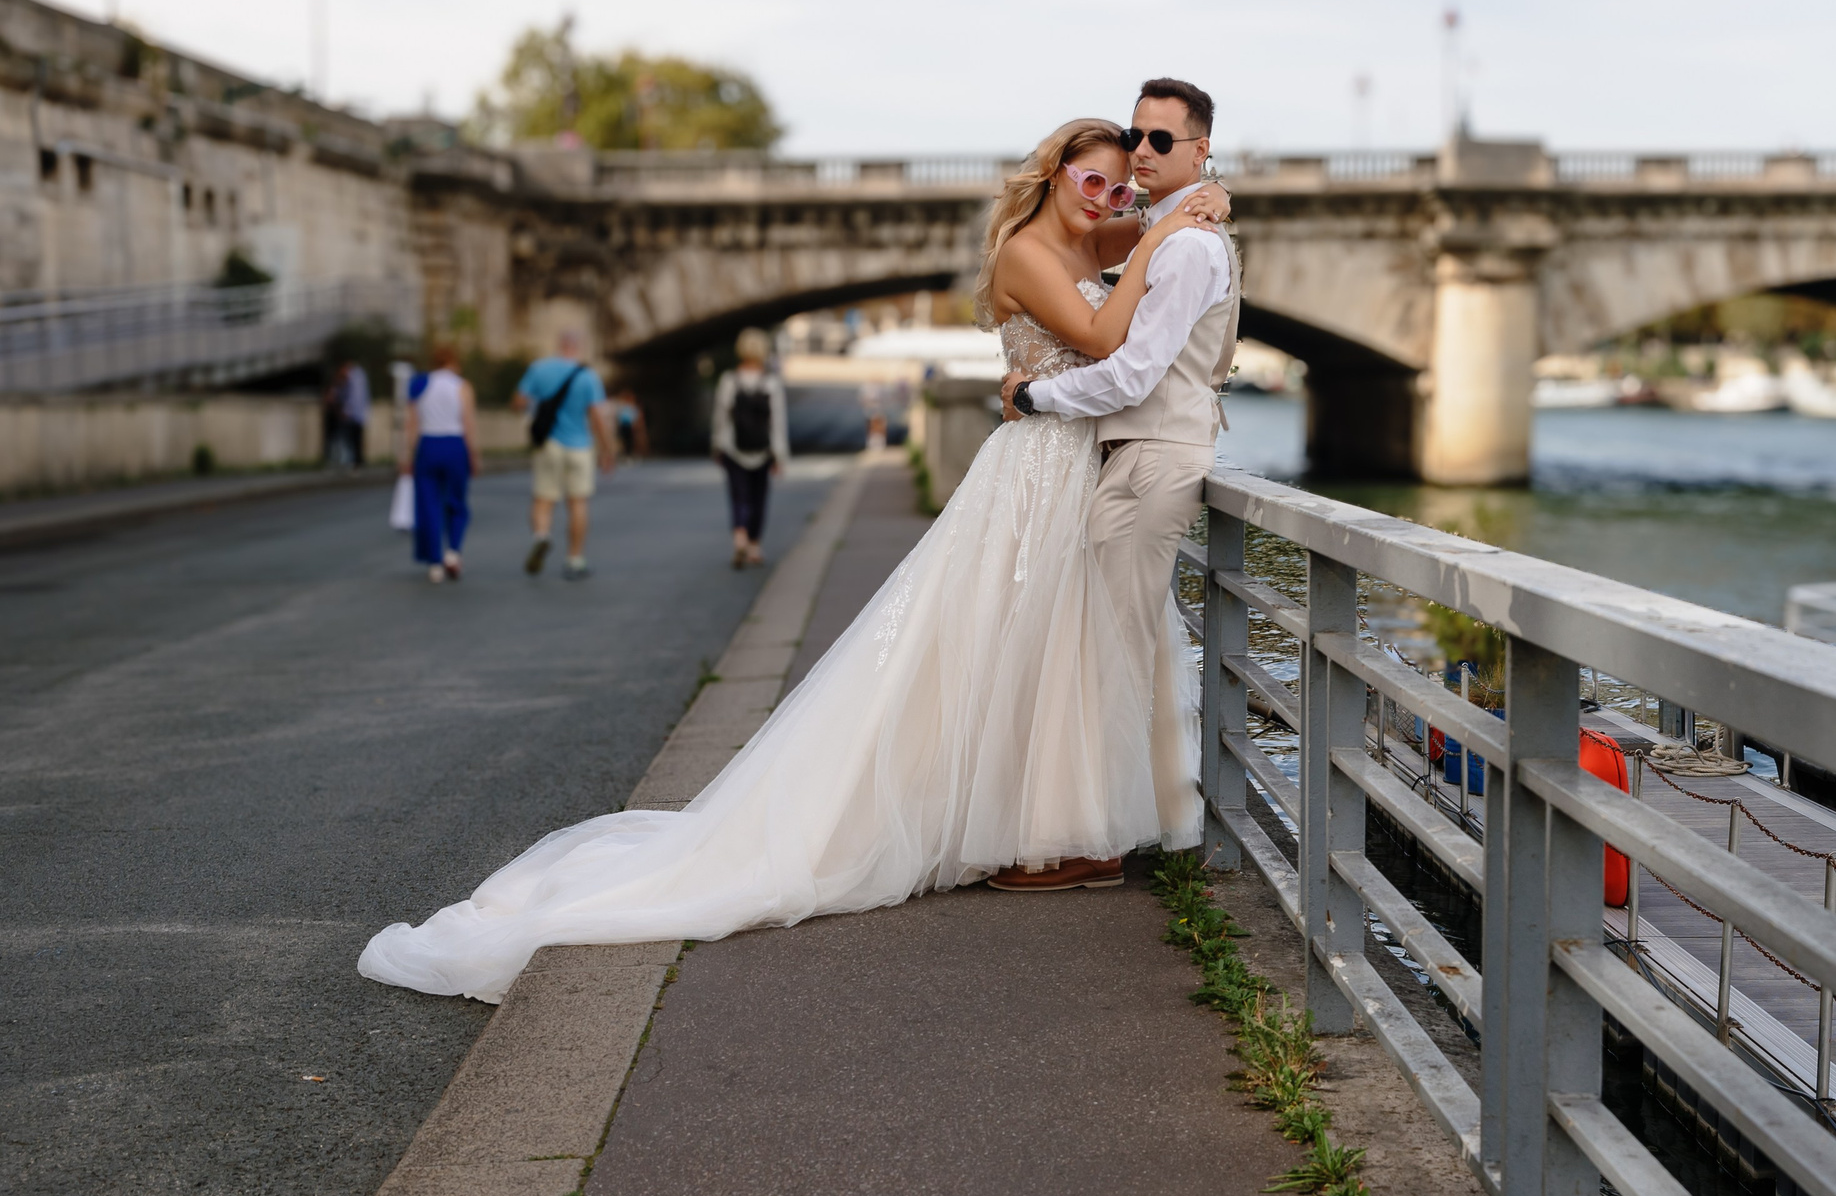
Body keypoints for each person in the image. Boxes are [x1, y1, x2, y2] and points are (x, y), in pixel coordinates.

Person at [359, 117, 1230, 1002]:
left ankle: (1048, 823)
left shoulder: (1098, 231)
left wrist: (1192, 205)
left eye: (1122, 190)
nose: (1112, 202)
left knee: (1040, 651)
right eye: (1095, 184)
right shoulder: (1028, 253)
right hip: (1036, 472)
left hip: (1072, 468)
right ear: (1052, 174)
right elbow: (1108, 338)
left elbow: (1174, 242)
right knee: (993, 643)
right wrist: (1161, 225)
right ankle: (1013, 826)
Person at [995, 78, 1237, 891]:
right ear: (1056, 173)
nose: (1139, 155)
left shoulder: (1183, 244)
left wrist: (1035, 396)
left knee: (1111, 653)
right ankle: (1123, 824)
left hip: (1143, 456)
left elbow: (1127, 367)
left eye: (1159, 142)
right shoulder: (1150, 238)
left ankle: (1097, 840)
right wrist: (1186, 206)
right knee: (1102, 647)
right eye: (1136, 137)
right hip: (1105, 460)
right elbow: (1121, 338)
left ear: (1198, 147)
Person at [514, 332, 615, 580]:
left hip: (549, 444)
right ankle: (575, 559)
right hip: (580, 446)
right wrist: (607, 450)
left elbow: (518, 402)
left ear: (559, 345)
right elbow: (597, 416)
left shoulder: (539, 369)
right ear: (578, 347)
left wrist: (537, 409)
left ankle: (542, 536)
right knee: (578, 502)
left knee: (543, 499)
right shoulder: (588, 376)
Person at [711, 330, 789, 568]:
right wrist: (780, 454)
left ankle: (740, 535)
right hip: (763, 451)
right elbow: (777, 421)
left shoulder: (729, 380)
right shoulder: (771, 382)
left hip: (734, 449)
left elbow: (720, 417)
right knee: (759, 497)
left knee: (738, 495)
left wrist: (717, 445)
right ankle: (754, 545)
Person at [402, 344, 480, 582]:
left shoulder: (419, 384)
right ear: (454, 361)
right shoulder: (462, 386)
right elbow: (468, 423)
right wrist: (474, 455)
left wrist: (407, 455)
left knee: (429, 504)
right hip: (455, 445)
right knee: (456, 502)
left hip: (428, 445)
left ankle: (434, 563)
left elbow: (412, 423)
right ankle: (453, 553)